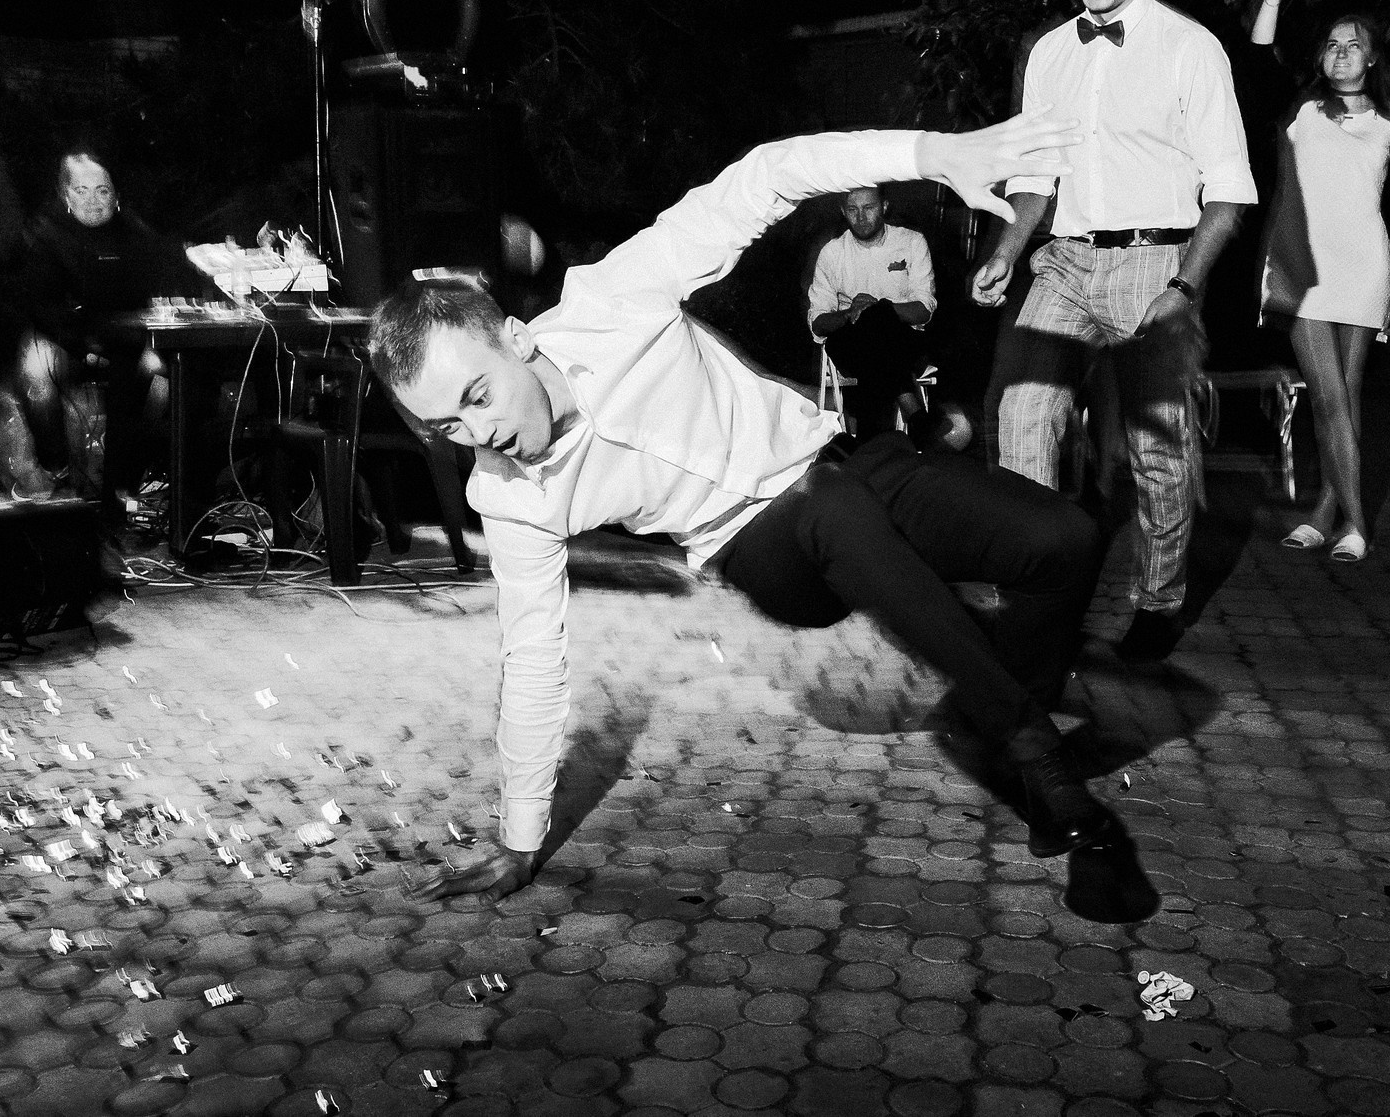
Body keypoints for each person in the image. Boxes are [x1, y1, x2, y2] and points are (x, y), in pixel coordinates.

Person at [370, 116, 1156, 923]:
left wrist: (931, 157)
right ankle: (1059, 787)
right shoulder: (508, 496)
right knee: (827, 511)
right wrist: (518, 836)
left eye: (477, 397)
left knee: (1063, 540)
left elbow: (767, 174)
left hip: (845, 462)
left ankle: (1003, 732)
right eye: (448, 429)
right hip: (762, 548)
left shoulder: (615, 299)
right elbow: (532, 657)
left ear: (516, 341)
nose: (480, 435)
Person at [971, 0, 1256, 663]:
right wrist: (1006, 247)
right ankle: (1029, 606)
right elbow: (1036, 176)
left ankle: (1158, 600)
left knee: (1155, 450)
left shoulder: (1189, 48)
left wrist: (1183, 288)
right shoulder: (1052, 53)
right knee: (1021, 422)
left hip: (1154, 261)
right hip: (1062, 261)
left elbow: (1229, 194)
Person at [1249, 0, 1390, 564]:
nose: (1341, 53)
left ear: (1371, 58)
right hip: (1307, 268)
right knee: (1325, 395)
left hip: (1366, 267)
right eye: (1332, 45)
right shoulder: (1300, 111)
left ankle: (1325, 513)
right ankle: (1358, 521)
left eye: (1354, 45)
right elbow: (1261, 51)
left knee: (1345, 395)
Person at [0, 150, 197, 504]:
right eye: (82, 190)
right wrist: (83, 345)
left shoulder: (134, 232)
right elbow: (37, 305)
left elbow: (167, 274)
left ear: (115, 195)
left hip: (125, 338)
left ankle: (127, 477)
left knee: (161, 378)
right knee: (38, 371)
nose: (94, 201)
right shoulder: (43, 233)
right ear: (66, 194)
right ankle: (57, 466)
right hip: (62, 335)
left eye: (102, 190)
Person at [807, 184, 936, 437]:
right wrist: (850, 313)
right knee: (871, 328)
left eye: (869, 208)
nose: (861, 217)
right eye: (853, 209)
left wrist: (877, 308)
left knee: (877, 320)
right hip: (850, 342)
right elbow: (818, 323)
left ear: (884, 207)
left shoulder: (910, 242)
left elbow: (923, 310)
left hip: (904, 339)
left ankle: (868, 441)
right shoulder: (832, 252)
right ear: (843, 211)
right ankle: (913, 411)